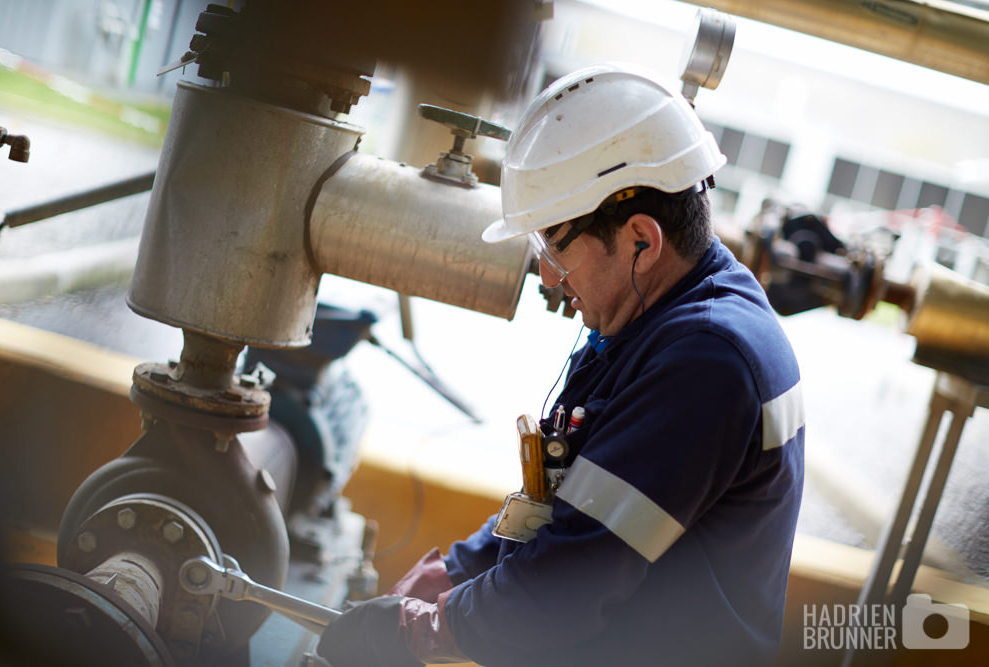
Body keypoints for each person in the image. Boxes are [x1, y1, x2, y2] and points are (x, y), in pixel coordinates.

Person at [317, 63, 805, 667]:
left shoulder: (707, 362)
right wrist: (457, 569)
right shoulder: (652, 319)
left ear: (641, 242)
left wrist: (426, 630)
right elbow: (564, 497)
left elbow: (569, 585)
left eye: (553, 245)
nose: (546, 277)